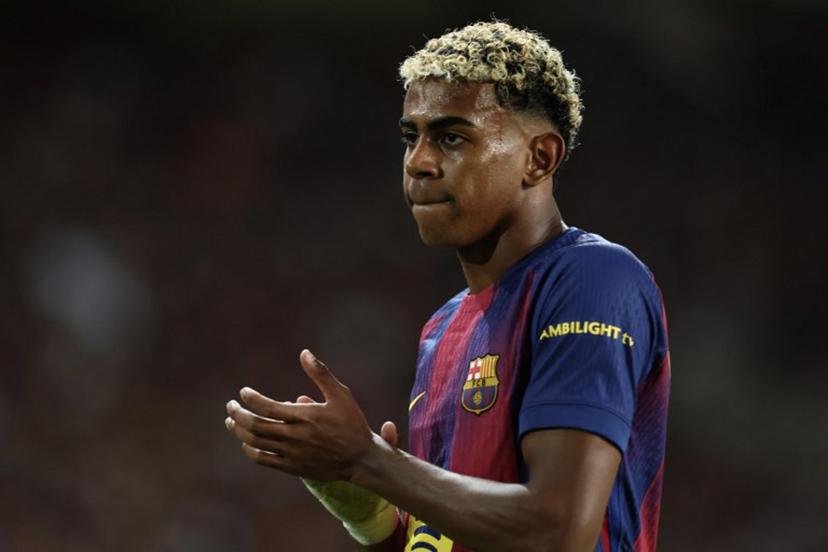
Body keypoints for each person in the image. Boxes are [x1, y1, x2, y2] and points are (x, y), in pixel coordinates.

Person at [225, 21, 670, 552]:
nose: (419, 162)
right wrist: (370, 514)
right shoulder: (443, 330)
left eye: (451, 138)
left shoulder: (591, 279)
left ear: (539, 158)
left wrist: (370, 460)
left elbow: (558, 530)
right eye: (410, 137)